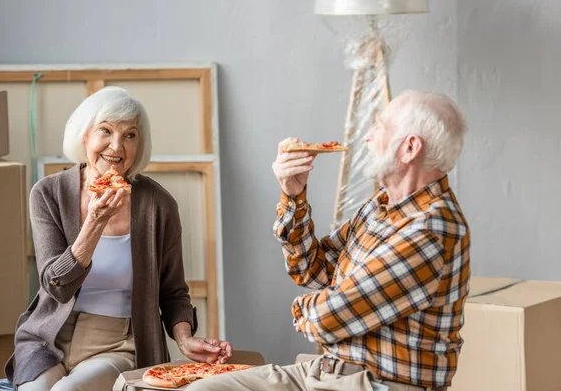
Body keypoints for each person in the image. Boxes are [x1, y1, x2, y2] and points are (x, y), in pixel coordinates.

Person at [189, 90, 470, 391]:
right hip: (324, 371)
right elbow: (312, 270)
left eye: (380, 127)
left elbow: (328, 316)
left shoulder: (433, 228)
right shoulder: (381, 205)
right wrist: (293, 196)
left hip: (378, 383)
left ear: (410, 147)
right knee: (203, 390)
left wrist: (304, 308)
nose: (368, 138)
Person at [5, 86, 232, 391]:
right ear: (84, 135)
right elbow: (54, 286)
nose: (117, 147)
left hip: (121, 343)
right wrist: (94, 224)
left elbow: (173, 291)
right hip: (50, 338)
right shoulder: (48, 193)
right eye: (105, 131)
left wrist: (184, 338)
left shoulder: (158, 205)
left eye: (130, 135)